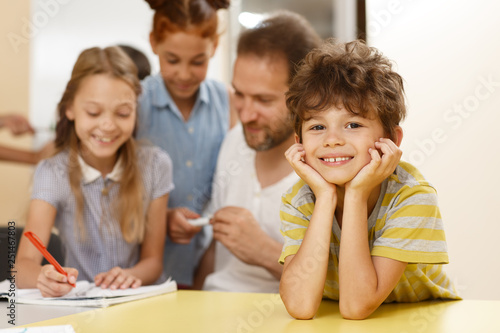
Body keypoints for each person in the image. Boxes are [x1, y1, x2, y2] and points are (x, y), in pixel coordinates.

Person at [279, 39, 460, 320]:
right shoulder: (301, 199)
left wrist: (355, 195)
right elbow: (300, 305)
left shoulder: (412, 196)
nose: (332, 140)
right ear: (299, 142)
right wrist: (326, 197)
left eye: (353, 124)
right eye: (317, 126)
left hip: (418, 317)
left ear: (391, 140)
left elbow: (356, 306)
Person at [16, 46, 174, 297]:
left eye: (123, 113)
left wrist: (130, 275)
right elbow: (23, 266)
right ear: (70, 108)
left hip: (137, 303)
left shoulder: (155, 165)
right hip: (80, 303)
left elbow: (153, 262)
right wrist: (43, 277)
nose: (108, 125)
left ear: (135, 110)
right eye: (93, 112)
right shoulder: (53, 171)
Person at [195, 11, 322, 293]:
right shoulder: (234, 142)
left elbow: (346, 286)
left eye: (264, 100)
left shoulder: (329, 167)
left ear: (304, 97)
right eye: (239, 94)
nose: (246, 114)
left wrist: (265, 251)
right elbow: (216, 253)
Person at [137, 0, 236, 288]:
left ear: (214, 46)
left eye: (198, 62)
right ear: (154, 43)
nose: (183, 74)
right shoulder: (134, 103)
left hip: (206, 263)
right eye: (172, 60)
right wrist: (162, 217)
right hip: (142, 267)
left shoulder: (227, 100)